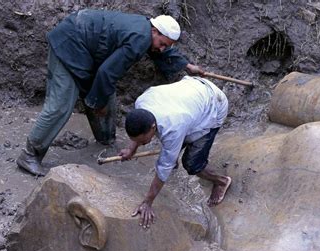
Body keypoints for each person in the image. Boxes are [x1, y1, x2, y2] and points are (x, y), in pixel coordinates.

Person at [17, 9, 204, 176]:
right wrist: (98, 103)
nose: (161, 49)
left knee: (106, 96)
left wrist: (187, 66)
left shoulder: (146, 29)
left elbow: (160, 52)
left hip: (86, 48)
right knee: (61, 106)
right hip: (69, 45)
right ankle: (29, 155)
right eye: (162, 43)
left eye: (166, 46)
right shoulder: (140, 39)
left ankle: (106, 141)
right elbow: (107, 72)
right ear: (154, 31)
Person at [120, 76, 232, 229]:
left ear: (153, 127)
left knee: (191, 164)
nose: (143, 143)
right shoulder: (141, 104)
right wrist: (131, 149)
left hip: (214, 104)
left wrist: (147, 202)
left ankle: (221, 181)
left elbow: (162, 168)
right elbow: (139, 131)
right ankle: (174, 154)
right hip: (191, 93)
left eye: (143, 140)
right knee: (172, 147)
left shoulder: (172, 126)